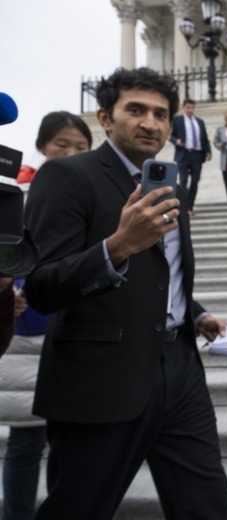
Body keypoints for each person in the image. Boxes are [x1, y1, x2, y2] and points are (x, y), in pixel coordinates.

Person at [23, 67, 227, 519]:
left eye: (161, 114)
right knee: (78, 509)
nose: (151, 123)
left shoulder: (170, 187)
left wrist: (195, 314)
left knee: (208, 506)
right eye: (135, 110)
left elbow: (161, 274)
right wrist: (117, 247)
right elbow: (41, 287)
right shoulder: (66, 176)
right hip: (102, 377)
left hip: (181, 371)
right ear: (105, 117)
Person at [0, 111, 91, 520]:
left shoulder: (91, 194)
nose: (70, 155)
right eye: (61, 146)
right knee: (26, 441)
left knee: (71, 444)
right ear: (41, 147)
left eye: (80, 148)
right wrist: (10, 291)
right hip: (28, 331)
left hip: (75, 330)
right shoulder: (16, 195)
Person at [170, 98, 211, 214]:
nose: (190, 110)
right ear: (183, 108)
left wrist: (208, 152)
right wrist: (176, 141)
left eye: (192, 108)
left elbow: (205, 138)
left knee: (195, 181)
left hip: (197, 155)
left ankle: (190, 206)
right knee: (183, 181)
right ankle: (183, 206)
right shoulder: (177, 120)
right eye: (188, 107)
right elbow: (170, 135)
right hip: (184, 154)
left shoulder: (200, 122)